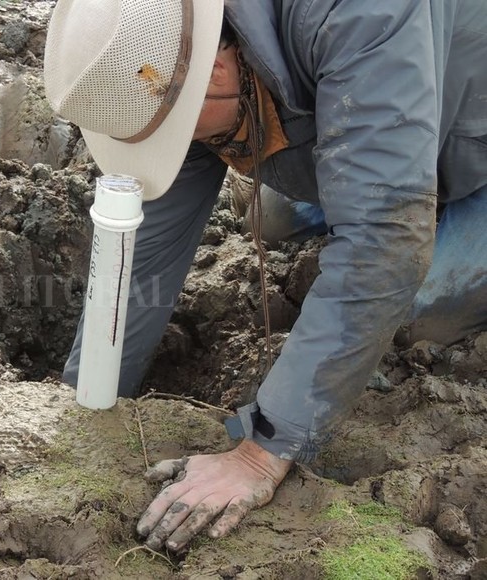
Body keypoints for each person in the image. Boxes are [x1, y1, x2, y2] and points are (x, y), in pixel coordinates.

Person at [43, 0, 487, 553]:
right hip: (376, 108)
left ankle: (404, 190)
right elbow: (149, 248)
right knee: (272, 214)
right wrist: (88, 389)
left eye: (179, 132)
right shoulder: (167, 46)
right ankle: (378, 176)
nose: (180, 147)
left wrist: (262, 450)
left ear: (218, 69)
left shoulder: (363, 14)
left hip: (472, 139)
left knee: (420, 310)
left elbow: (387, 244)